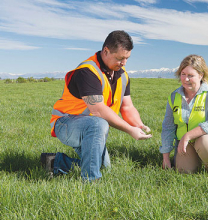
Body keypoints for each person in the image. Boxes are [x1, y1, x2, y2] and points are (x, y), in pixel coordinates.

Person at [41, 30, 152, 181]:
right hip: (66, 124)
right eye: (120, 58)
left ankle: (55, 161)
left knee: (103, 166)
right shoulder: (87, 71)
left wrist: (138, 125)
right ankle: (91, 181)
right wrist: (130, 130)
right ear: (106, 51)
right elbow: (98, 110)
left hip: (92, 128)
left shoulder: (122, 74)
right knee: (98, 123)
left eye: (127, 58)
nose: (124, 63)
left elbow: (127, 107)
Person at [159, 54, 208, 177]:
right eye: (183, 74)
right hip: (186, 142)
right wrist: (166, 157)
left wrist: (187, 135)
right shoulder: (174, 96)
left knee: (204, 142)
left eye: (191, 75)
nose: (186, 79)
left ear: (201, 75)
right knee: (183, 171)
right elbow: (168, 127)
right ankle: (199, 158)